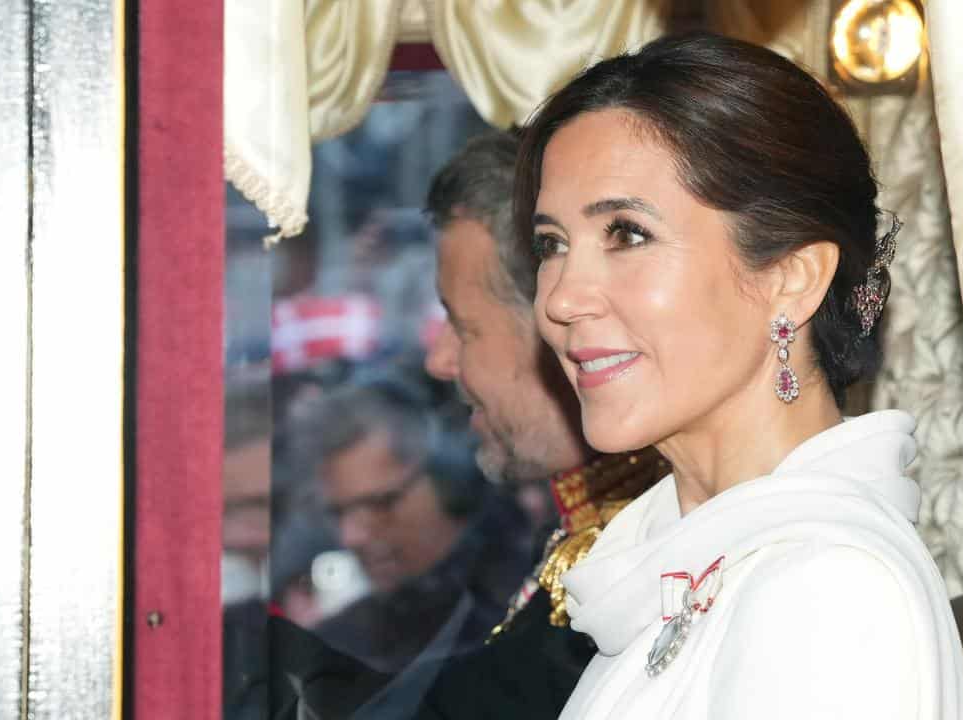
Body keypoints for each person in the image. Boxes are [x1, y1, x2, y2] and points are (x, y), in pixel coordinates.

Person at [515, 32, 963, 719]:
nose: (560, 298)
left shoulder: (832, 589)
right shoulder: (681, 571)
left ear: (792, 277)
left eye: (626, 234)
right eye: (552, 245)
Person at [267, 131, 667, 719]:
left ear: (554, 328)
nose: (439, 360)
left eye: (464, 324)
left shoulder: (658, 551)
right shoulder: (596, 531)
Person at [293, 379, 530, 674]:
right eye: (338, 513)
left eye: (381, 503)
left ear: (450, 480)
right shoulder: (333, 647)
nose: (351, 536)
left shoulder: (535, 604)